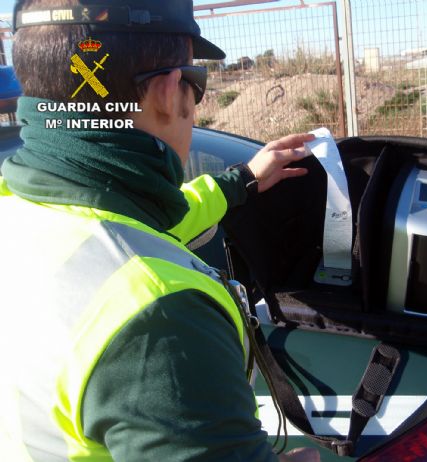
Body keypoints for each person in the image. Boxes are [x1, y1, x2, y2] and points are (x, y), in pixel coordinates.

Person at [0, 0, 321, 460]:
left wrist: (244, 178)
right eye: (198, 84)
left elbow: (142, 221)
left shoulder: (19, 207)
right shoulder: (158, 315)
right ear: (170, 93)